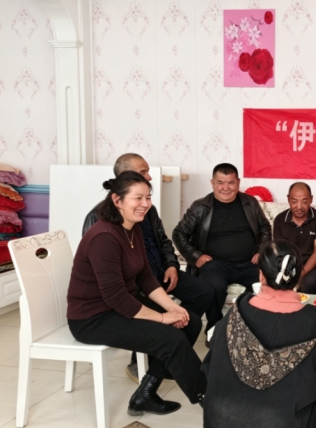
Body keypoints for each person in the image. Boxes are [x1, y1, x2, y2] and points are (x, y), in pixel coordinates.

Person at [67, 172, 206, 416]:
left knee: (189, 321)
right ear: (117, 200)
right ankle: (213, 402)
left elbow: (145, 276)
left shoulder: (133, 228)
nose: (145, 204)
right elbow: (116, 298)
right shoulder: (103, 237)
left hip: (119, 305)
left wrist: (172, 308)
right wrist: (162, 318)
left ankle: (145, 394)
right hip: (92, 318)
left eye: (148, 197)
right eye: (138, 198)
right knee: (171, 338)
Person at [83, 153, 214, 380]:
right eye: (143, 172)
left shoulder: (147, 209)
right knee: (162, 318)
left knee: (204, 293)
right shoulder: (99, 219)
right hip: (133, 284)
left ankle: (165, 360)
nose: (150, 176)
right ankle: (145, 360)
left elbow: (163, 240)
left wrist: (171, 265)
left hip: (157, 273)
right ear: (125, 179)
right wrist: (164, 314)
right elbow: (108, 277)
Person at [201, 240, 316, 428]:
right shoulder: (315, 322)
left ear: (261, 275)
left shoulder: (235, 312)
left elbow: (209, 368)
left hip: (220, 418)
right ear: (298, 277)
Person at [173, 163, 271, 332]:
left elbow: (265, 228)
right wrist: (195, 256)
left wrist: (261, 251)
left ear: (238, 183)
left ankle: (249, 329)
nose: (226, 188)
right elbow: (179, 233)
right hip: (216, 264)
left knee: (264, 285)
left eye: (231, 182)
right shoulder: (200, 207)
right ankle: (214, 329)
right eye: (220, 182)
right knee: (212, 286)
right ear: (212, 183)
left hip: (249, 262)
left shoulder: (250, 203)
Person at [273, 182, 316, 294]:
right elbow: (280, 251)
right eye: (294, 201)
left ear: (311, 199)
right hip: (289, 264)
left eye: (304, 201)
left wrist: (300, 273)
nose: (299, 206)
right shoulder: (280, 220)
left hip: (313, 264)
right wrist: (287, 272)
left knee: (308, 283)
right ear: (288, 199)